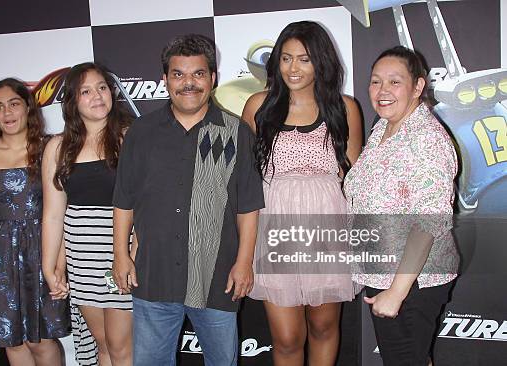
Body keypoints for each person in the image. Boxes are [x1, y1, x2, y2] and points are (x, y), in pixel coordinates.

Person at [112, 34, 265, 366]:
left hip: (215, 278)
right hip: (153, 277)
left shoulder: (234, 132)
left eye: (198, 74)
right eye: (178, 74)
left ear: (212, 78)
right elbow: (124, 199)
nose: (188, 83)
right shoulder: (142, 132)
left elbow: (247, 207)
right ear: (165, 79)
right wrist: (120, 256)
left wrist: (243, 262)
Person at [241, 21, 363, 366]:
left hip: (327, 230)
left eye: (304, 59)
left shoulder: (344, 108)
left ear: (321, 62)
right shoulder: (258, 106)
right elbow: (245, 180)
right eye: (285, 58)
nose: (293, 68)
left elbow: (352, 179)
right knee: (287, 337)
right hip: (274, 230)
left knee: (324, 327)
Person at [343, 46, 459, 365]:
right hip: (385, 272)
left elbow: (430, 221)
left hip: (414, 280)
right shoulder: (384, 127)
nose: (382, 91)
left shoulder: (427, 140)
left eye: (395, 82)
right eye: (376, 81)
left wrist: (396, 291)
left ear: (418, 86)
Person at [0, 78, 70, 366]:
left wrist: (59, 264)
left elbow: (58, 211)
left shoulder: (50, 149)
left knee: (42, 341)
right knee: (12, 340)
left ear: (27, 108)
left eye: (13, 104)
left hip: (41, 253)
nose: (7, 113)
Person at [42, 62, 133, 366]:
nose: (97, 96)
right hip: (83, 258)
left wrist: (134, 250)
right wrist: (53, 264)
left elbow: (147, 202)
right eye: (86, 91)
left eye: (102, 87)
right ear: (72, 100)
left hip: (121, 254)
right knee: (102, 344)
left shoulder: (131, 137)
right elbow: (55, 215)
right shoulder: (58, 147)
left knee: (122, 345)